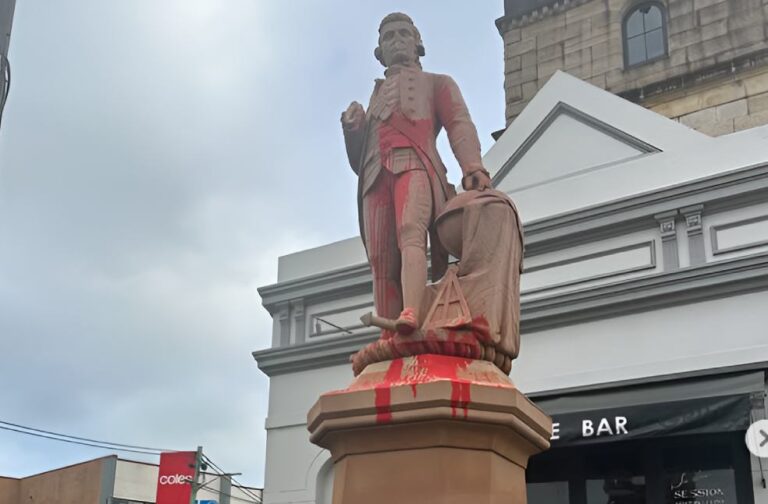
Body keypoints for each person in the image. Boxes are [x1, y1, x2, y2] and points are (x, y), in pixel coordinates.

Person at [342, 12, 491, 335]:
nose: (396, 41)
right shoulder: (376, 94)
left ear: (417, 43)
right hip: (373, 176)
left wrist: (472, 166)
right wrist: (353, 130)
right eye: (389, 37)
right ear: (379, 51)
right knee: (381, 256)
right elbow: (359, 160)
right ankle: (387, 330)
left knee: (411, 231)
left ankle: (411, 310)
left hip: (415, 163)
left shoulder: (438, 83)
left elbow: (459, 125)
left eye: (403, 34)